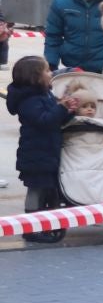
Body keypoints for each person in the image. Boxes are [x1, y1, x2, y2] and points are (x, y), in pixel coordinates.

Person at [8, 57, 84, 235]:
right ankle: (30, 228)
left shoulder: (44, 94)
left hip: (47, 151)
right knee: (36, 190)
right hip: (35, 154)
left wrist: (68, 111)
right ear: (35, 77)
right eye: (47, 71)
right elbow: (44, 121)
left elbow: (54, 120)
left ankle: (46, 224)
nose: (51, 73)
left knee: (48, 189)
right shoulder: (29, 100)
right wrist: (61, 108)